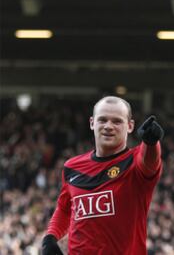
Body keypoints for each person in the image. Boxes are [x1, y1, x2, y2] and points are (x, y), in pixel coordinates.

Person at [41, 96, 164, 255]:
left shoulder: (135, 162)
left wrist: (151, 142)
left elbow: (150, 162)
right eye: (102, 120)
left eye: (117, 121)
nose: (108, 126)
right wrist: (50, 238)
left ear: (130, 126)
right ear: (92, 123)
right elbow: (65, 209)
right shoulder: (72, 167)